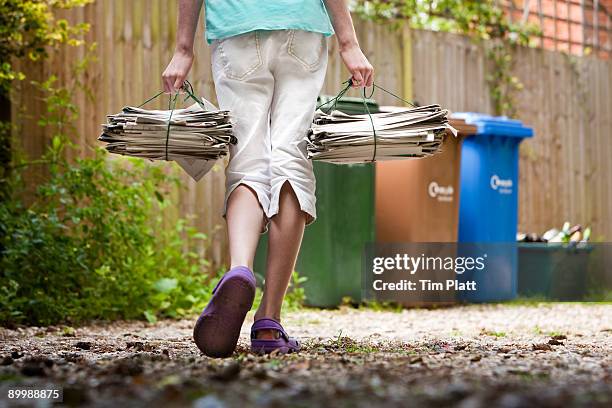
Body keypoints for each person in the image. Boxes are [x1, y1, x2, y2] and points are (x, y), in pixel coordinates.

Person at [162, 0, 374, 358]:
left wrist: (183, 49)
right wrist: (349, 43)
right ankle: (269, 320)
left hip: (237, 27)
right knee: (291, 157)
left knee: (247, 157)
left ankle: (240, 270)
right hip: (301, 28)